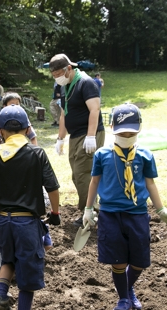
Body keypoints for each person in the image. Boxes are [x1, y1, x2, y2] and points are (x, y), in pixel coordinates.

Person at [0, 105, 61, 310]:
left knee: (8, 258)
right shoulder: (37, 153)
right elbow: (52, 187)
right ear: (27, 129)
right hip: (27, 223)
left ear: (0, 131)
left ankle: (0, 293)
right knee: (28, 274)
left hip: (2, 221)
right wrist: (55, 213)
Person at [83, 103, 167, 310]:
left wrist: (161, 209)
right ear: (111, 128)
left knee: (139, 261)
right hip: (110, 214)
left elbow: (150, 183)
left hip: (137, 214)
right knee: (118, 260)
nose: (127, 135)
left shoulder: (144, 155)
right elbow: (94, 182)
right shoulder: (102, 154)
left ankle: (128, 288)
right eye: (122, 132)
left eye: (131, 132)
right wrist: (88, 209)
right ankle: (124, 297)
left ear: (139, 128)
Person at [49, 53, 105, 225]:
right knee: (76, 174)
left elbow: (95, 109)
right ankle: (92, 207)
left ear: (69, 69)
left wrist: (90, 136)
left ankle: (90, 212)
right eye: (54, 75)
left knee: (83, 173)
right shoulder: (66, 87)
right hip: (76, 135)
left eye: (59, 74)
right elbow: (64, 114)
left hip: (89, 134)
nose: (57, 78)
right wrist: (60, 138)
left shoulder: (86, 83)